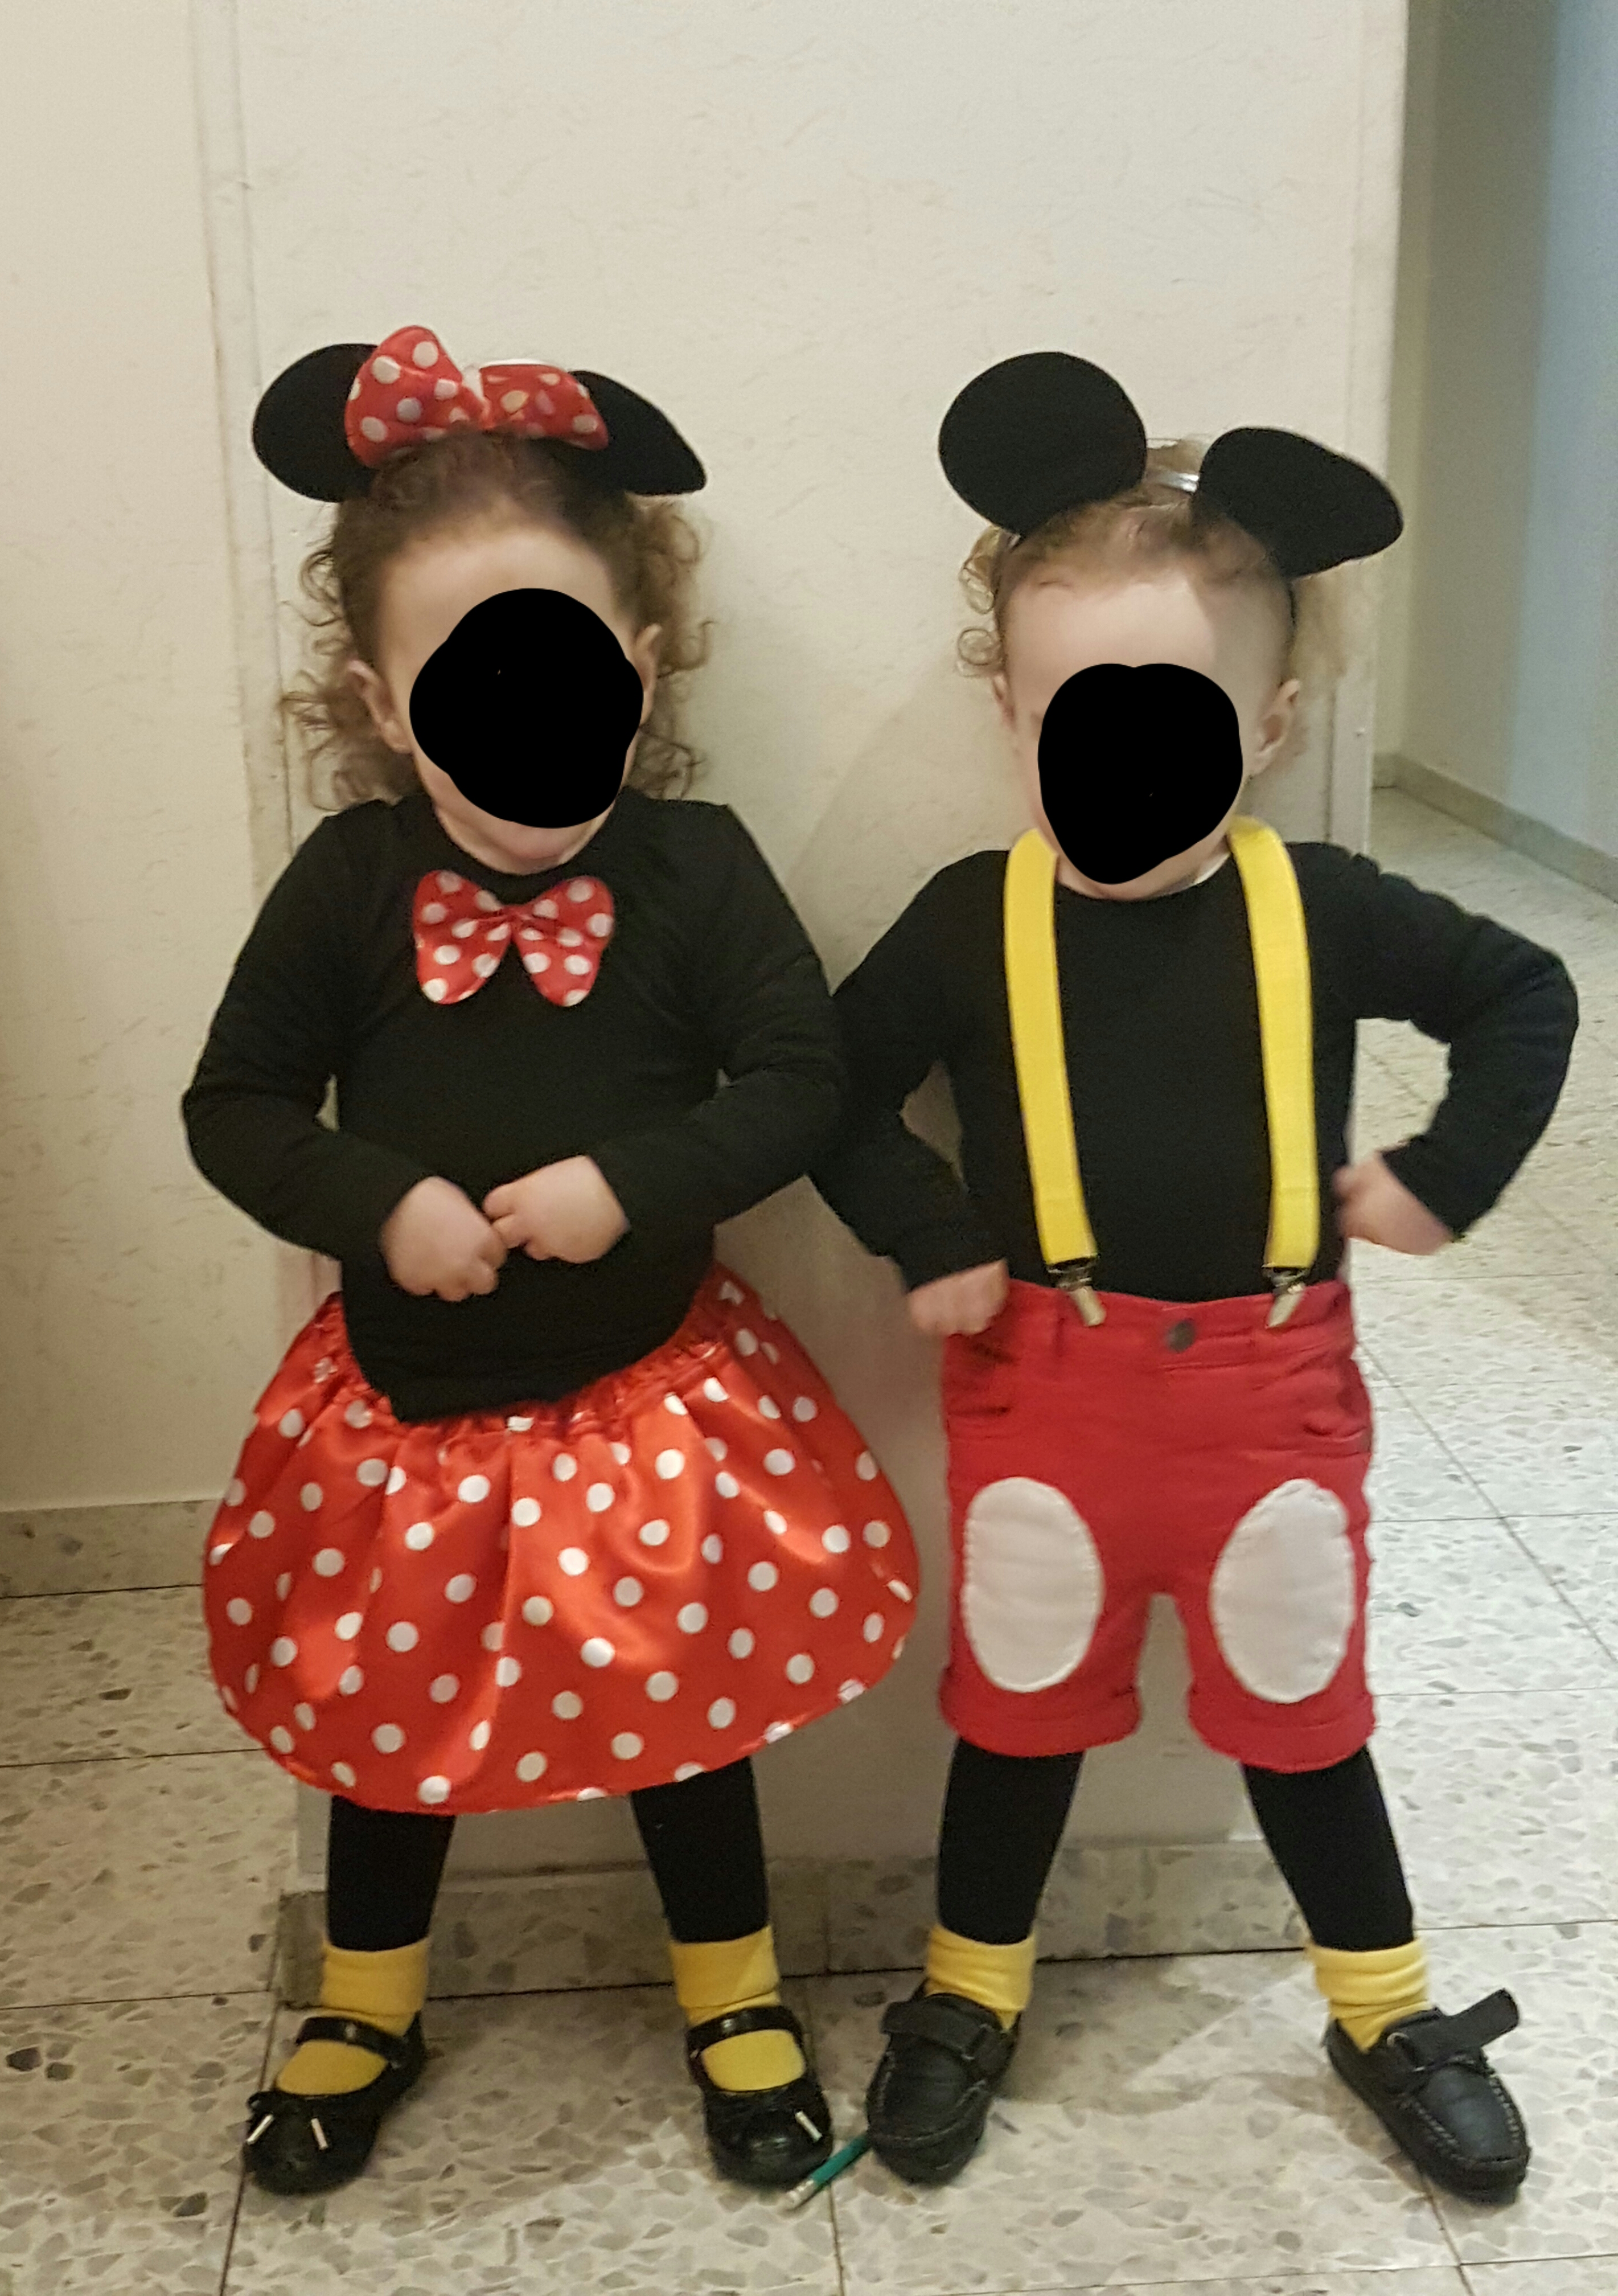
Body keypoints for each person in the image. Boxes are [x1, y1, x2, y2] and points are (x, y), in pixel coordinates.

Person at [813, 352, 1576, 2199]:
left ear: (1272, 722)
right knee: (1015, 1717)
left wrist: (1443, 1175)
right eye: (1079, 712)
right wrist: (930, 1230)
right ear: (1015, 710)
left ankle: (1384, 2010)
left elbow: (1525, 993)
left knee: (1308, 1721)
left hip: (1269, 1408)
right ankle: (969, 1994)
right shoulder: (969, 923)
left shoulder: (1322, 905)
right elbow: (820, 1091)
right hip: (1046, 1400)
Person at [183, 324, 917, 2196]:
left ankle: (733, 1991)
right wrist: (377, 1202)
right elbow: (235, 1104)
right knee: (384, 1724)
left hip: (642, 1408)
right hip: (410, 1420)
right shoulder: (349, 883)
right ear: (382, 700)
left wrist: (635, 1184)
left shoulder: (698, 866)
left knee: (681, 1715)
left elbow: (805, 1078)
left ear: (640, 666)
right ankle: (367, 1998)